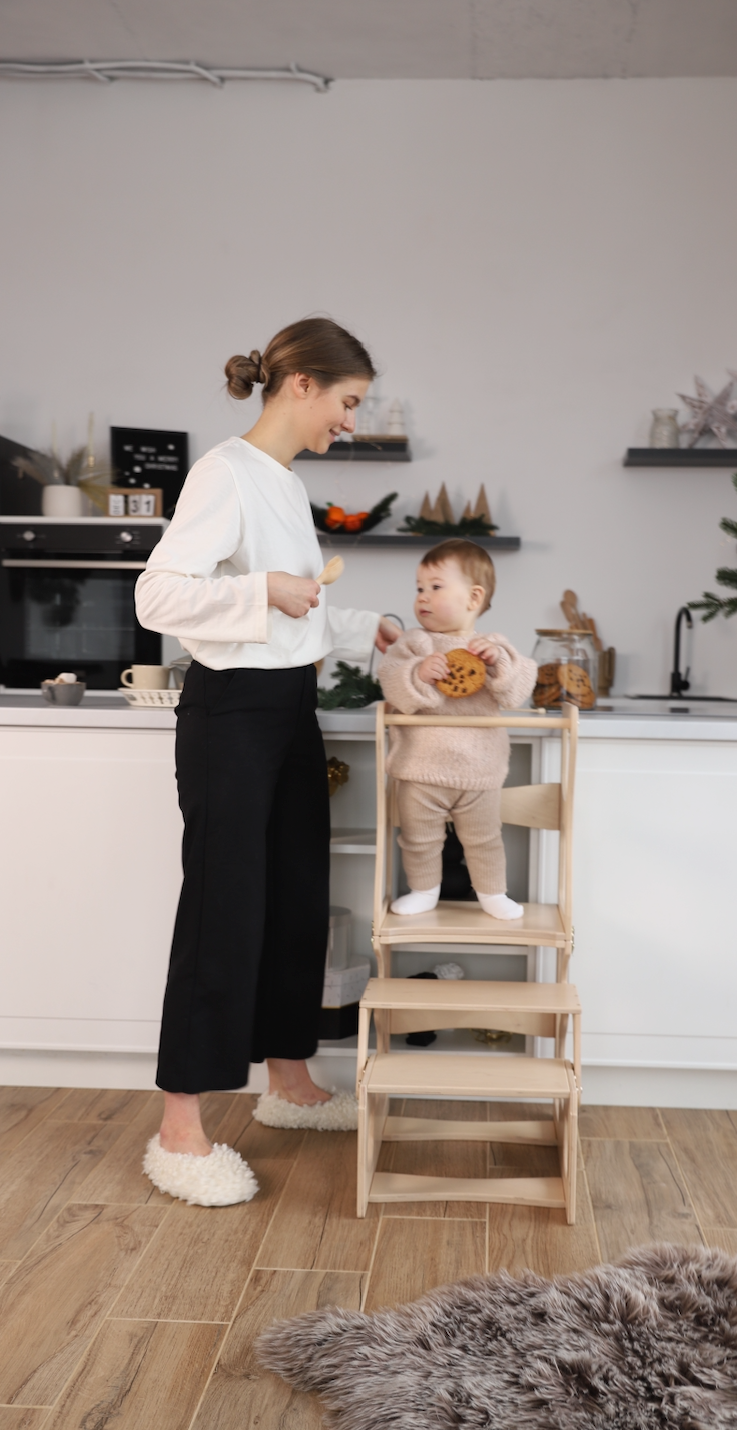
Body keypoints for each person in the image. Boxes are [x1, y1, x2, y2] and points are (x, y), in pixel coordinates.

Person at [134, 316, 400, 1206]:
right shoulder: (224, 472)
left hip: (289, 709)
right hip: (233, 716)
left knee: (294, 895)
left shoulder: (283, 483)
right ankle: (179, 1130)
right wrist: (262, 590)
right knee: (225, 908)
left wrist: (371, 628)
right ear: (302, 385)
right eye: (348, 402)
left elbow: (301, 614)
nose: (350, 422)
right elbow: (158, 595)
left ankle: (289, 1082)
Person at [377, 540, 536, 921]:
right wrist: (417, 673)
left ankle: (493, 893)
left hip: (479, 770)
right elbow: (391, 684)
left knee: (483, 839)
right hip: (420, 767)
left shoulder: (493, 646)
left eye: (435, 586)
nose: (423, 597)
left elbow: (517, 693)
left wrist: (499, 664)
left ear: (473, 597)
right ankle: (424, 890)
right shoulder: (414, 643)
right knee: (418, 838)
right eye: (419, 588)